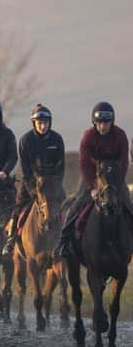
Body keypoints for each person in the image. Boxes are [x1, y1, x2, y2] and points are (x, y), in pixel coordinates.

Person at [54, 102, 133, 257]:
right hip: (91, 176)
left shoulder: (120, 135)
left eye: (106, 123)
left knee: (128, 203)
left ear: (112, 122)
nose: (103, 126)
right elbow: (83, 163)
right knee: (77, 203)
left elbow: (124, 162)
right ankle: (62, 242)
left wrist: (117, 184)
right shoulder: (88, 136)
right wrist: (92, 187)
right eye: (100, 123)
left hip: (114, 178)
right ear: (94, 123)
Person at [2, 104, 65, 256]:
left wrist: (56, 185)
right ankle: (11, 239)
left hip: (52, 183)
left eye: (45, 123)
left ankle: (67, 238)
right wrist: (32, 189)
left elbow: (61, 165)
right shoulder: (26, 140)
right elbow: (25, 168)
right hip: (31, 182)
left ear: (50, 123)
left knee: (65, 204)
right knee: (18, 207)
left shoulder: (57, 139)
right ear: (34, 124)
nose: (43, 126)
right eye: (39, 123)